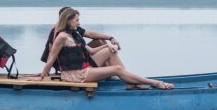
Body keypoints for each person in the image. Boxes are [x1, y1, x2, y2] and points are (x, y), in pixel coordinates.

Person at [31, 8, 173, 89]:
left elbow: (91, 51)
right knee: (117, 69)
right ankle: (153, 83)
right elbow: (52, 57)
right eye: (76, 20)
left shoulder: (74, 33)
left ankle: (132, 82)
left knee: (111, 51)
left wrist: (109, 43)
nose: (79, 22)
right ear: (68, 21)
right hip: (74, 74)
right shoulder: (61, 36)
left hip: (84, 70)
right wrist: (42, 76)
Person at [41, 6, 126, 70]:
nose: (77, 21)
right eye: (75, 19)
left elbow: (89, 33)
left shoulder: (72, 28)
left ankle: (111, 68)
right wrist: (46, 72)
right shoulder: (57, 32)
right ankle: (113, 70)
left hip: (76, 58)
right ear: (66, 19)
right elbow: (51, 53)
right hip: (65, 64)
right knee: (105, 47)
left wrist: (110, 38)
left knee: (101, 41)